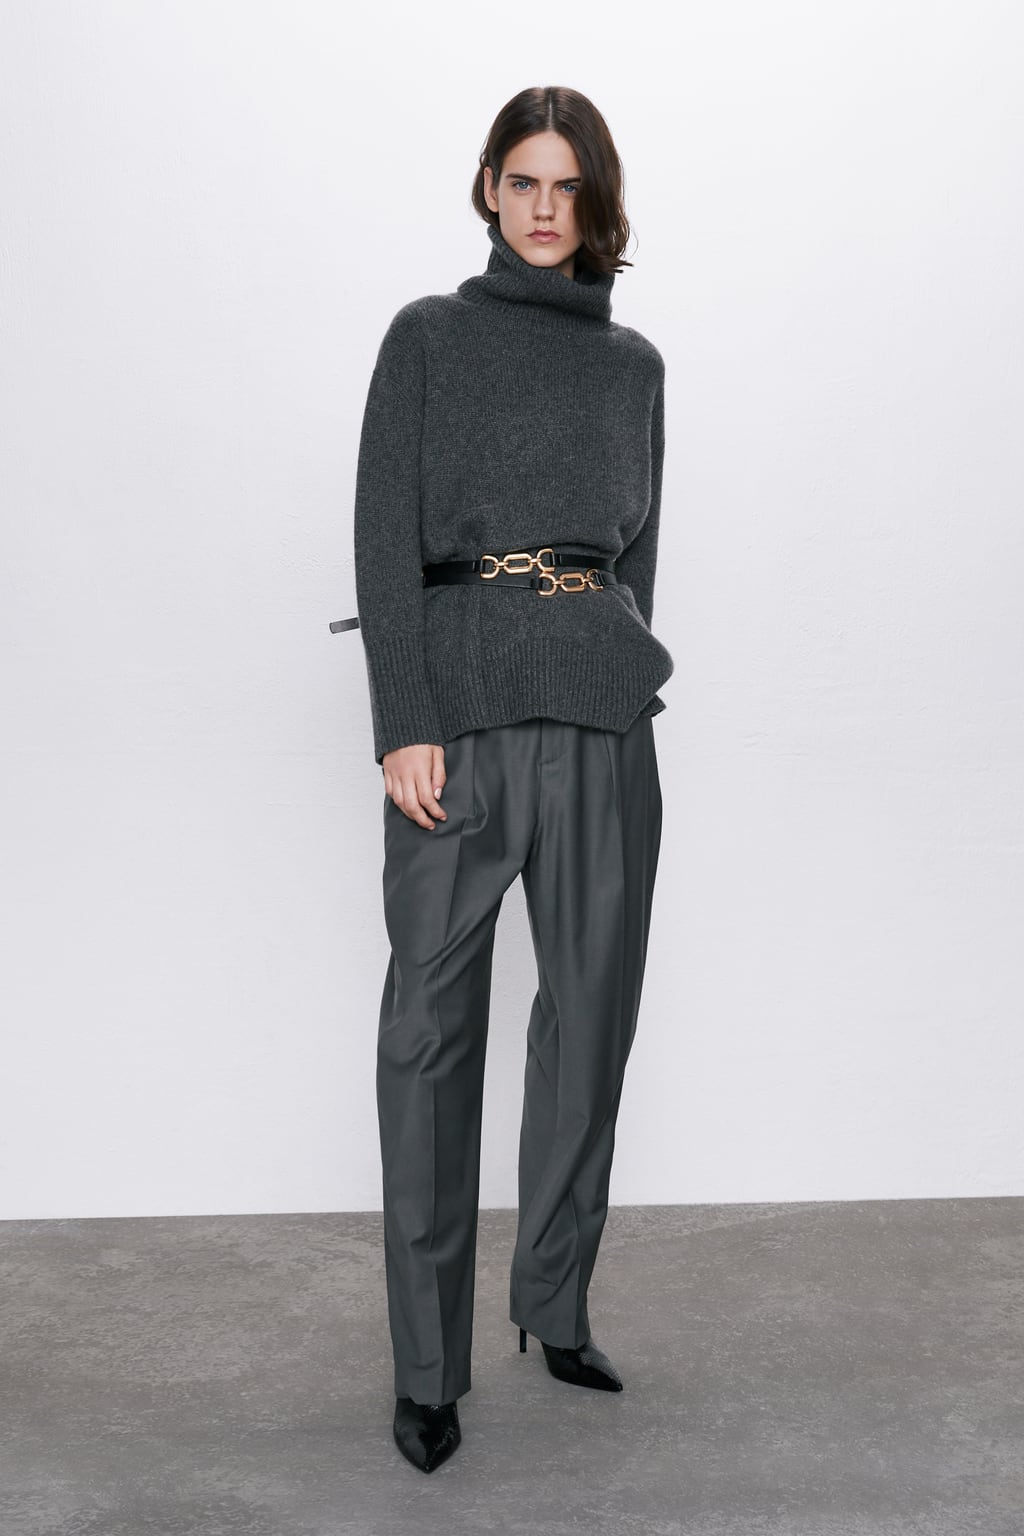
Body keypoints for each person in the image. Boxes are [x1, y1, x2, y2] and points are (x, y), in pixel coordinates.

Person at [343, 84, 674, 1473]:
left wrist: (626, 678)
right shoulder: (428, 337)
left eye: (568, 186)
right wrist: (402, 720)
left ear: (598, 202)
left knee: (591, 1026)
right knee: (430, 1038)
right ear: (488, 187)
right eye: (523, 181)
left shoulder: (634, 366)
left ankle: (555, 1303)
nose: (545, 208)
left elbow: (639, 555)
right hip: (460, 729)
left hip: (602, 726)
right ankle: (428, 1370)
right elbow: (381, 536)